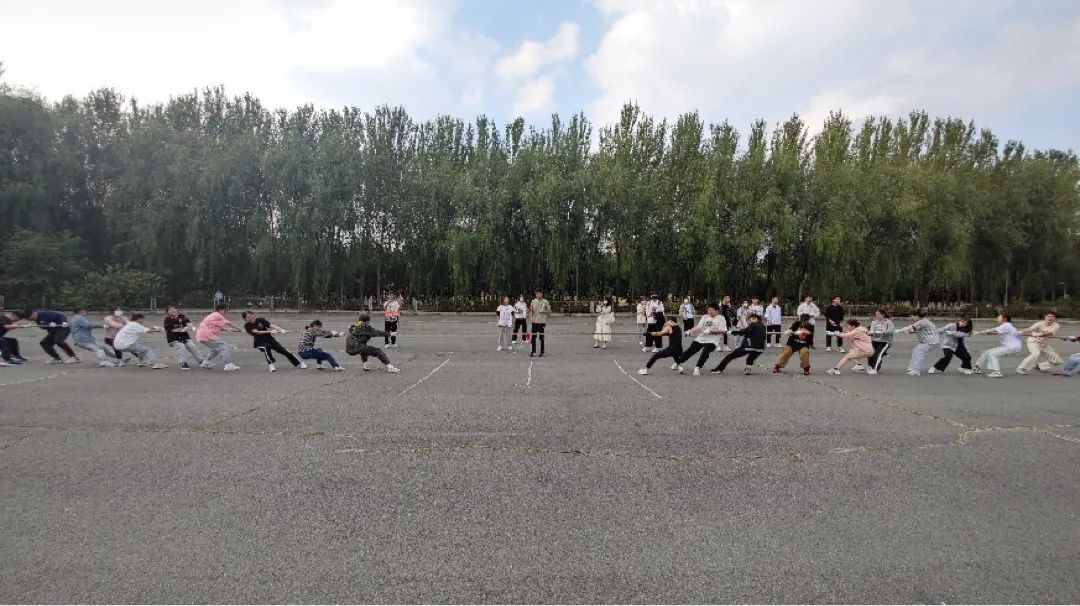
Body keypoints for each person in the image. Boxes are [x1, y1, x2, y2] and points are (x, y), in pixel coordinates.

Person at [675, 302, 726, 376]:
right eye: (709, 310)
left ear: (717, 311)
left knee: (706, 351)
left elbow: (722, 330)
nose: (710, 312)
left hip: (713, 340)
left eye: (712, 310)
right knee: (690, 350)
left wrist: (711, 331)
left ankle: (697, 367)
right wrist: (690, 331)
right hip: (701, 338)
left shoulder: (721, 318)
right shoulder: (705, 317)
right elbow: (698, 327)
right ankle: (678, 362)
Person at [973, 313, 1023, 378]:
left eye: (999, 318)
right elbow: (993, 332)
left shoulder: (1006, 325)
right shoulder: (1008, 326)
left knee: (992, 353)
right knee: (986, 352)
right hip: (1012, 347)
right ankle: (977, 368)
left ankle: (996, 372)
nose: (997, 319)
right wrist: (982, 333)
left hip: (1011, 347)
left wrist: (979, 333)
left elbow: (993, 330)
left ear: (1004, 319)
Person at [195, 304, 242, 371]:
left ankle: (206, 363)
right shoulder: (218, 315)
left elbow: (216, 327)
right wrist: (239, 328)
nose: (227, 311)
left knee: (216, 349)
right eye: (226, 310)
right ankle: (228, 364)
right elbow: (229, 323)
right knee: (224, 345)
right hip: (207, 334)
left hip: (202, 334)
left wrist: (229, 329)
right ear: (221, 309)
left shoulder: (213, 315)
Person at [895, 309, 939, 376]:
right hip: (930, 341)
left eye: (912, 316)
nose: (911, 318)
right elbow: (914, 329)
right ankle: (912, 368)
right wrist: (907, 331)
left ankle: (916, 371)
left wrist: (899, 330)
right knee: (916, 351)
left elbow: (911, 327)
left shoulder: (922, 321)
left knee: (919, 353)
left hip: (930, 341)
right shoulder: (923, 321)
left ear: (917, 316)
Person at [163, 305, 205, 370]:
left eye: (174, 309)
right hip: (173, 339)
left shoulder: (181, 316)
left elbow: (188, 323)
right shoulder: (167, 319)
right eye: (170, 310)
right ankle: (183, 363)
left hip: (185, 337)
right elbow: (172, 330)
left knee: (192, 347)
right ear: (167, 312)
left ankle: (201, 361)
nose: (173, 310)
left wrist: (193, 328)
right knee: (182, 347)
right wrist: (183, 329)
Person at [861, 309, 894, 375]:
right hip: (874, 341)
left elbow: (891, 331)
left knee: (878, 355)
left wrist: (882, 332)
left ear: (883, 315)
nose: (877, 316)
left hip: (885, 341)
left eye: (878, 314)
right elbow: (872, 331)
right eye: (876, 315)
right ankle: (870, 366)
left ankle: (875, 369)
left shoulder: (888, 322)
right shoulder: (874, 322)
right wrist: (869, 333)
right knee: (870, 354)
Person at [529, 288, 551, 358]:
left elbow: (550, 313)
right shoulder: (533, 301)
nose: (537, 295)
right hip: (534, 322)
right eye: (536, 294)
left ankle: (542, 351)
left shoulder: (545, 302)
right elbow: (531, 311)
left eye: (538, 293)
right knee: (533, 337)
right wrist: (531, 317)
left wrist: (544, 312)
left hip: (542, 322)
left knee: (541, 338)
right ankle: (533, 351)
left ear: (541, 294)